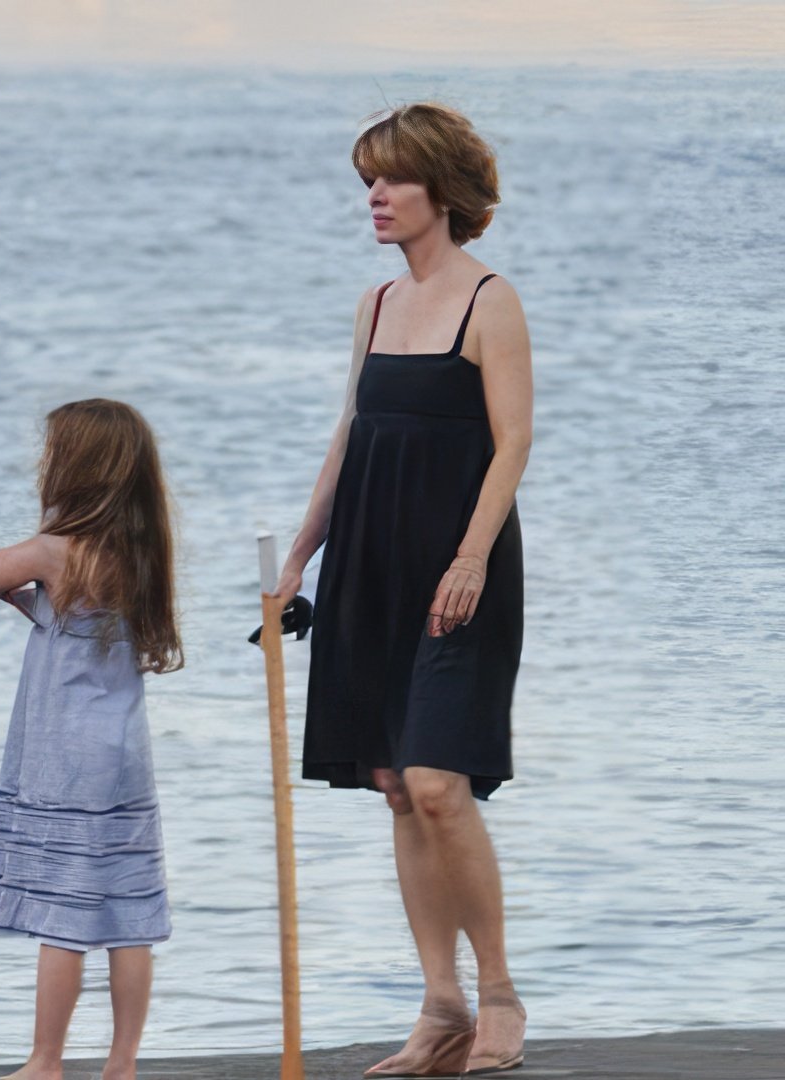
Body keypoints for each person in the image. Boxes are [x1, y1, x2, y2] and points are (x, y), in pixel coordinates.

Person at [272, 102, 532, 1078]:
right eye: (368, 180)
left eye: (393, 179)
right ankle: (440, 1009)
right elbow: (352, 435)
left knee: (438, 782)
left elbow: (512, 443)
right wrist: (302, 553)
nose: (375, 197)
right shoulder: (376, 308)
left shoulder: (490, 301)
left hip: (458, 573)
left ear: (444, 192)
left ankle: (499, 994)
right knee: (392, 785)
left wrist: (471, 558)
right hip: (367, 568)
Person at [0, 400, 184, 1080]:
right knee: (127, 908)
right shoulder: (138, 552)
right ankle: (122, 1062)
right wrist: (24, 601)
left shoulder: (55, 551)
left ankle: (46, 1060)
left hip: (69, 758)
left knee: (64, 910)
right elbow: (81, 623)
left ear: (75, 471)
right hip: (123, 755)